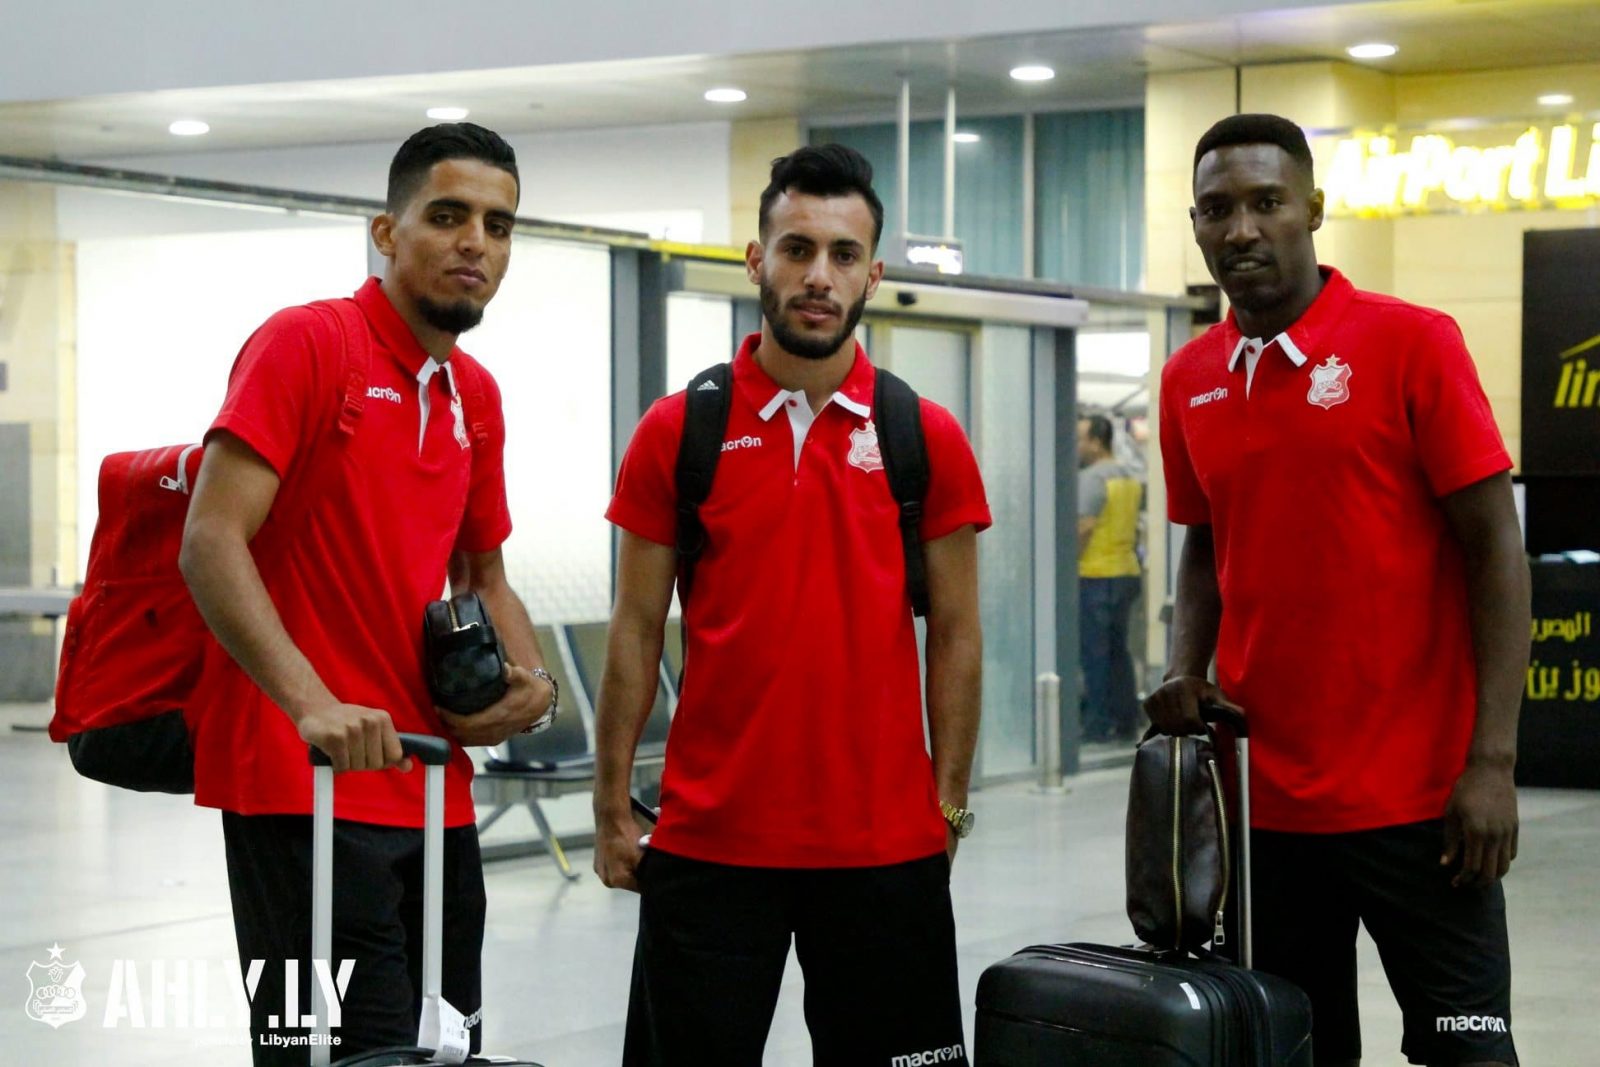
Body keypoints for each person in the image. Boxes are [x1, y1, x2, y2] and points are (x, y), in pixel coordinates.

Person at [593, 144, 991, 1065]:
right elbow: (635, 630)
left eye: (844, 255)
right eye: (797, 248)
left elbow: (958, 634)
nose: (820, 276)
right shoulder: (678, 430)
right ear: (756, 260)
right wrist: (612, 804)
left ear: (873, 276)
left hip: (885, 850)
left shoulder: (922, 434)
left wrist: (948, 805)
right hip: (709, 847)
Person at [1145, 112, 1530, 1067]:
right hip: (1267, 811)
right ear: (1195, 226)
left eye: (1267, 202)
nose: (1242, 229)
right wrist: (1185, 666)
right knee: (1301, 1052)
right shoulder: (1189, 378)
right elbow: (1204, 539)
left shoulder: (1412, 343)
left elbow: (1495, 547)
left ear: (1313, 209)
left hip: (1426, 806)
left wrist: (1492, 762)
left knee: (1470, 1054)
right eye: (1217, 209)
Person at [178, 123, 556, 1064]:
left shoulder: (475, 394)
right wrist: (313, 703)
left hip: (431, 787)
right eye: (449, 215)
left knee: (449, 1049)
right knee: (342, 1055)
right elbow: (211, 540)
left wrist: (533, 685)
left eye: (498, 224)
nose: (476, 242)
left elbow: (484, 574)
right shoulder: (308, 344)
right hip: (301, 780)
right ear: (387, 232)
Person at [1076, 412, 1143, 743]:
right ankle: (1127, 720)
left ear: (1096, 442)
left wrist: (1064, 564)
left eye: (1081, 439)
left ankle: (1097, 724)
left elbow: (1084, 527)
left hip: (1096, 573)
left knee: (1095, 654)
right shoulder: (1129, 477)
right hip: (1127, 572)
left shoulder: (1091, 478)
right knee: (1119, 652)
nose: (1077, 446)